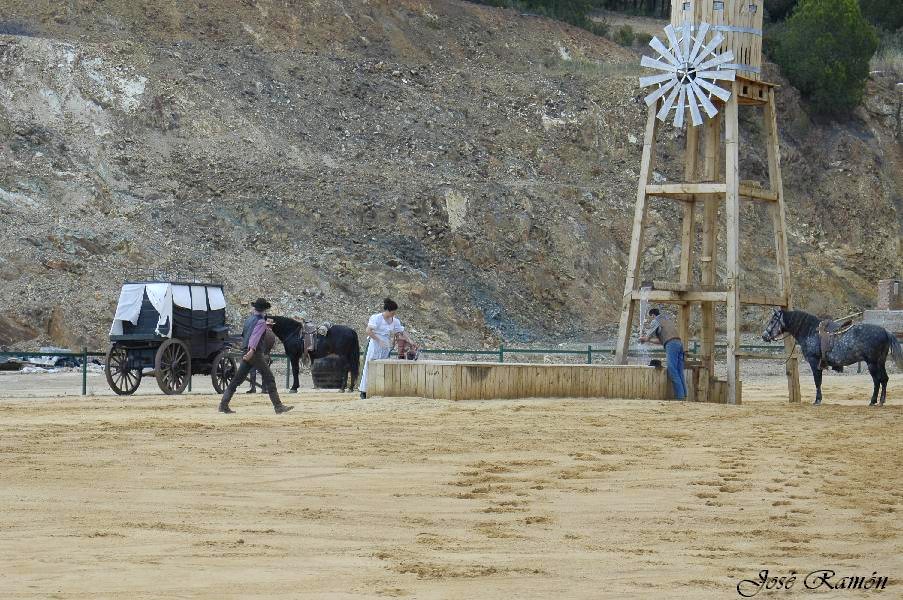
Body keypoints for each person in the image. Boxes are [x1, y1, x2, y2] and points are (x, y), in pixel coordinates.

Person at [218, 298, 294, 414]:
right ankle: (278, 406)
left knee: (237, 379)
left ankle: (223, 405)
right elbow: (255, 338)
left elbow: (245, 335)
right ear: (264, 310)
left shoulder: (249, 320)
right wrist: (252, 350)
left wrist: (247, 351)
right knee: (269, 378)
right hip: (255, 354)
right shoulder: (261, 322)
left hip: (246, 352)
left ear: (255, 308)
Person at [358, 298, 405, 399]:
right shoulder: (377, 318)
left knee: (384, 365)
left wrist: (409, 341)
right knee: (369, 365)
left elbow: (400, 332)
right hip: (375, 344)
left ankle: (380, 389)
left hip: (386, 345)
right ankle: (364, 390)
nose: (394, 313)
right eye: (393, 311)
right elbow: (368, 331)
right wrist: (378, 340)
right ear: (388, 310)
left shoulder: (395, 321)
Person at [639, 307, 687, 400]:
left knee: (672, 371)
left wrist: (644, 339)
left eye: (651, 317)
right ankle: (684, 395)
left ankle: (680, 398)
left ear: (653, 315)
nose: (650, 320)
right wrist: (650, 341)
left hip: (671, 345)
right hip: (679, 343)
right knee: (679, 371)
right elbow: (663, 340)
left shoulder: (655, 321)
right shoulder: (667, 319)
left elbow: (648, 336)